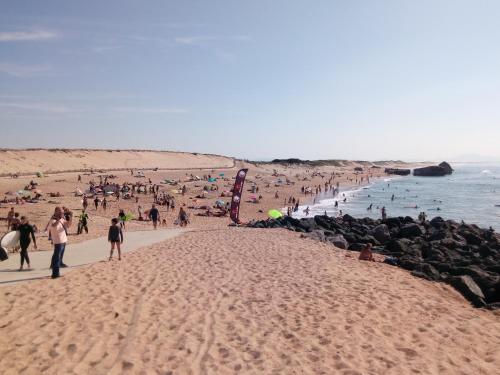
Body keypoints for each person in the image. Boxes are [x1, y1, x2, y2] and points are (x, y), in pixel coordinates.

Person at [46, 207, 72, 278]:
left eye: (62, 212)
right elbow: (54, 226)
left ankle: (58, 268)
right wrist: (58, 219)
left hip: (63, 241)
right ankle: (55, 274)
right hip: (58, 242)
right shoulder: (53, 220)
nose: (62, 213)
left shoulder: (61, 219)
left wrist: (71, 217)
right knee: (56, 258)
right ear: (56, 212)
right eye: (61, 212)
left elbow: (68, 225)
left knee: (58, 257)